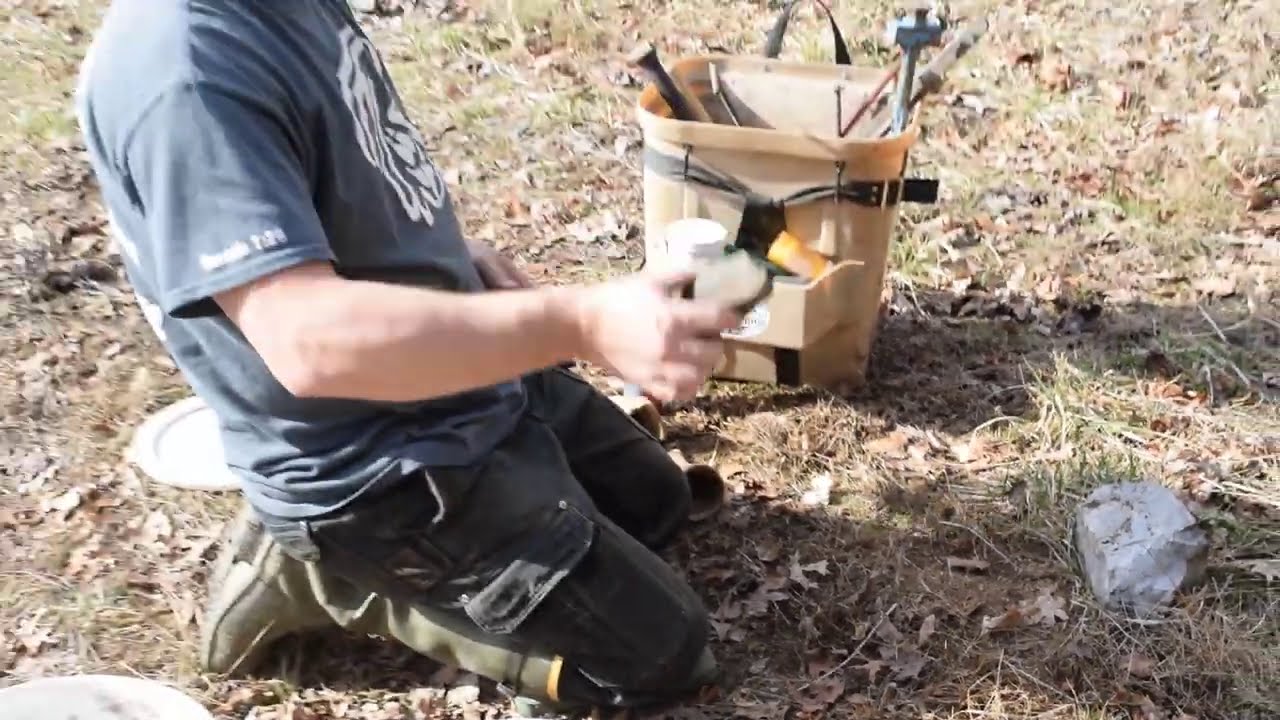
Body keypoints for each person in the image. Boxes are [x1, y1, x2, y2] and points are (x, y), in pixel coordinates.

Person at [75, 1, 743, 716]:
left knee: (657, 504)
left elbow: (344, 171)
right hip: (373, 463)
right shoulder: (185, 77)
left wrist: (445, 257)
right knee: (661, 654)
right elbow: (308, 344)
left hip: (452, 377)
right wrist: (579, 322)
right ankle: (321, 572)